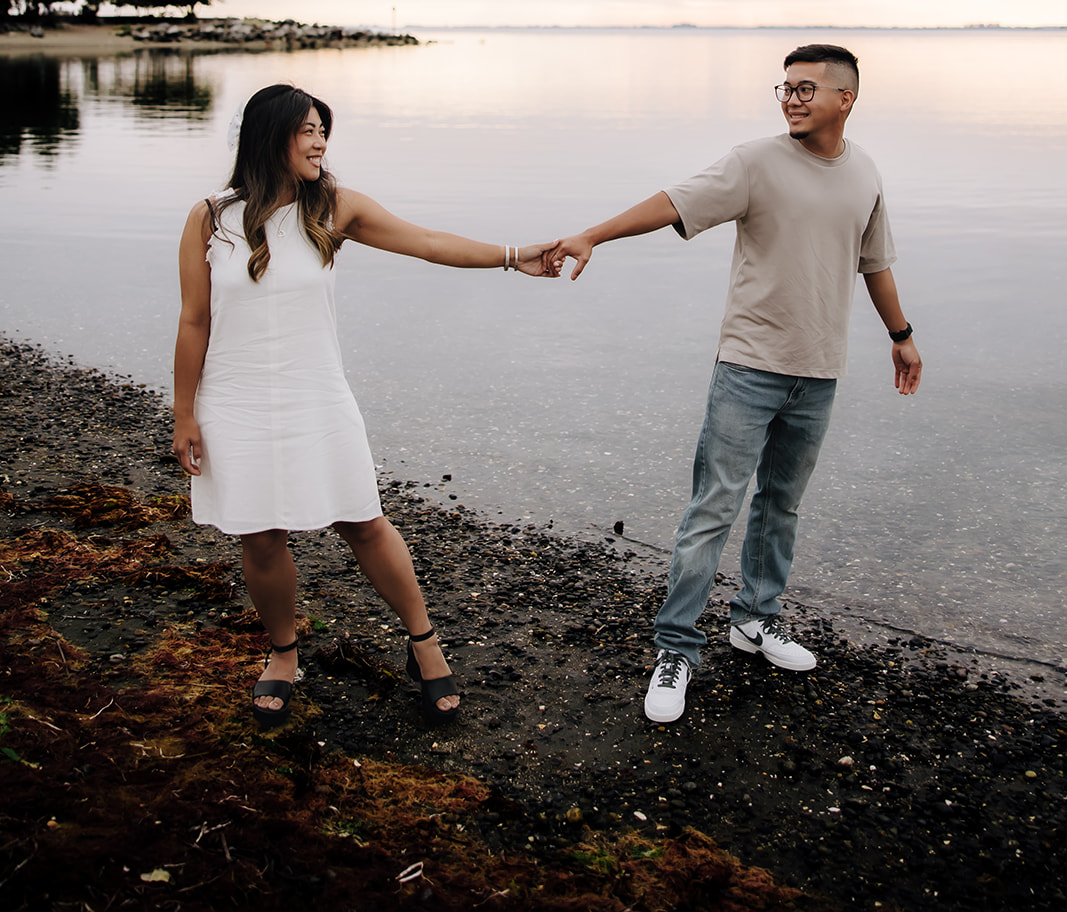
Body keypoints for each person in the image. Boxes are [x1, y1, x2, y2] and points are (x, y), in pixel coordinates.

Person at [551, 44, 921, 723]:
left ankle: (755, 619)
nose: (790, 97)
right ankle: (675, 649)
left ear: (846, 97)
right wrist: (592, 236)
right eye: (784, 87)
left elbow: (874, 262)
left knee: (781, 505)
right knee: (712, 510)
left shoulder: (864, 172)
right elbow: (673, 202)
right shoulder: (754, 162)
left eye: (806, 88)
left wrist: (900, 336)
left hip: (819, 373)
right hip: (748, 368)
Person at [172, 83, 559, 730]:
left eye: (323, 129)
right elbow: (193, 322)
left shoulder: (335, 208)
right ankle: (283, 654)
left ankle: (423, 643)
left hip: (315, 392)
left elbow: (429, 242)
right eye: (306, 130)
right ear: (269, 135)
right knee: (261, 536)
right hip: (234, 399)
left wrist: (514, 257)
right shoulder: (210, 217)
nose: (320, 141)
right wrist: (184, 414)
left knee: (362, 521)